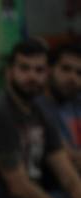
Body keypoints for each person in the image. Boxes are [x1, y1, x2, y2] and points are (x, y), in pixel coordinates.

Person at [0, 39, 81, 198]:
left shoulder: (40, 111)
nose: (32, 77)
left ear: (47, 73)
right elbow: (18, 186)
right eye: (24, 68)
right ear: (9, 73)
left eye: (39, 70)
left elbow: (66, 173)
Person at [37, 43, 81, 171]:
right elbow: (68, 158)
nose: (73, 78)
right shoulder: (36, 108)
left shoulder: (77, 102)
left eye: (79, 73)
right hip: (55, 187)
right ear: (49, 70)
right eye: (66, 69)